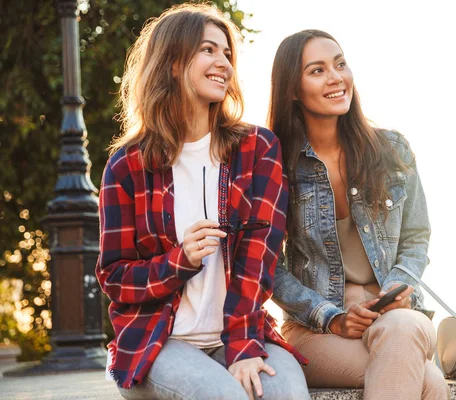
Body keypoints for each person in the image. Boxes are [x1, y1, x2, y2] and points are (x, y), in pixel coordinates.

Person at [96, 4, 310, 400]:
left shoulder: (257, 149)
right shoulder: (127, 166)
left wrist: (243, 345)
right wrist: (180, 261)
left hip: (242, 332)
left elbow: (259, 258)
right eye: (208, 50)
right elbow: (114, 278)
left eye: (227, 53)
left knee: (287, 396)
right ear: (173, 63)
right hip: (159, 342)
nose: (223, 63)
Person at [269, 30, 450, 400]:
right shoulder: (275, 164)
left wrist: (396, 287)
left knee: (402, 326)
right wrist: (329, 316)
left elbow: (416, 236)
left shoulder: (391, 149)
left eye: (340, 64)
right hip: (315, 329)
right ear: (292, 89)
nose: (336, 77)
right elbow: (267, 265)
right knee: (428, 382)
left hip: (395, 314)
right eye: (317, 70)